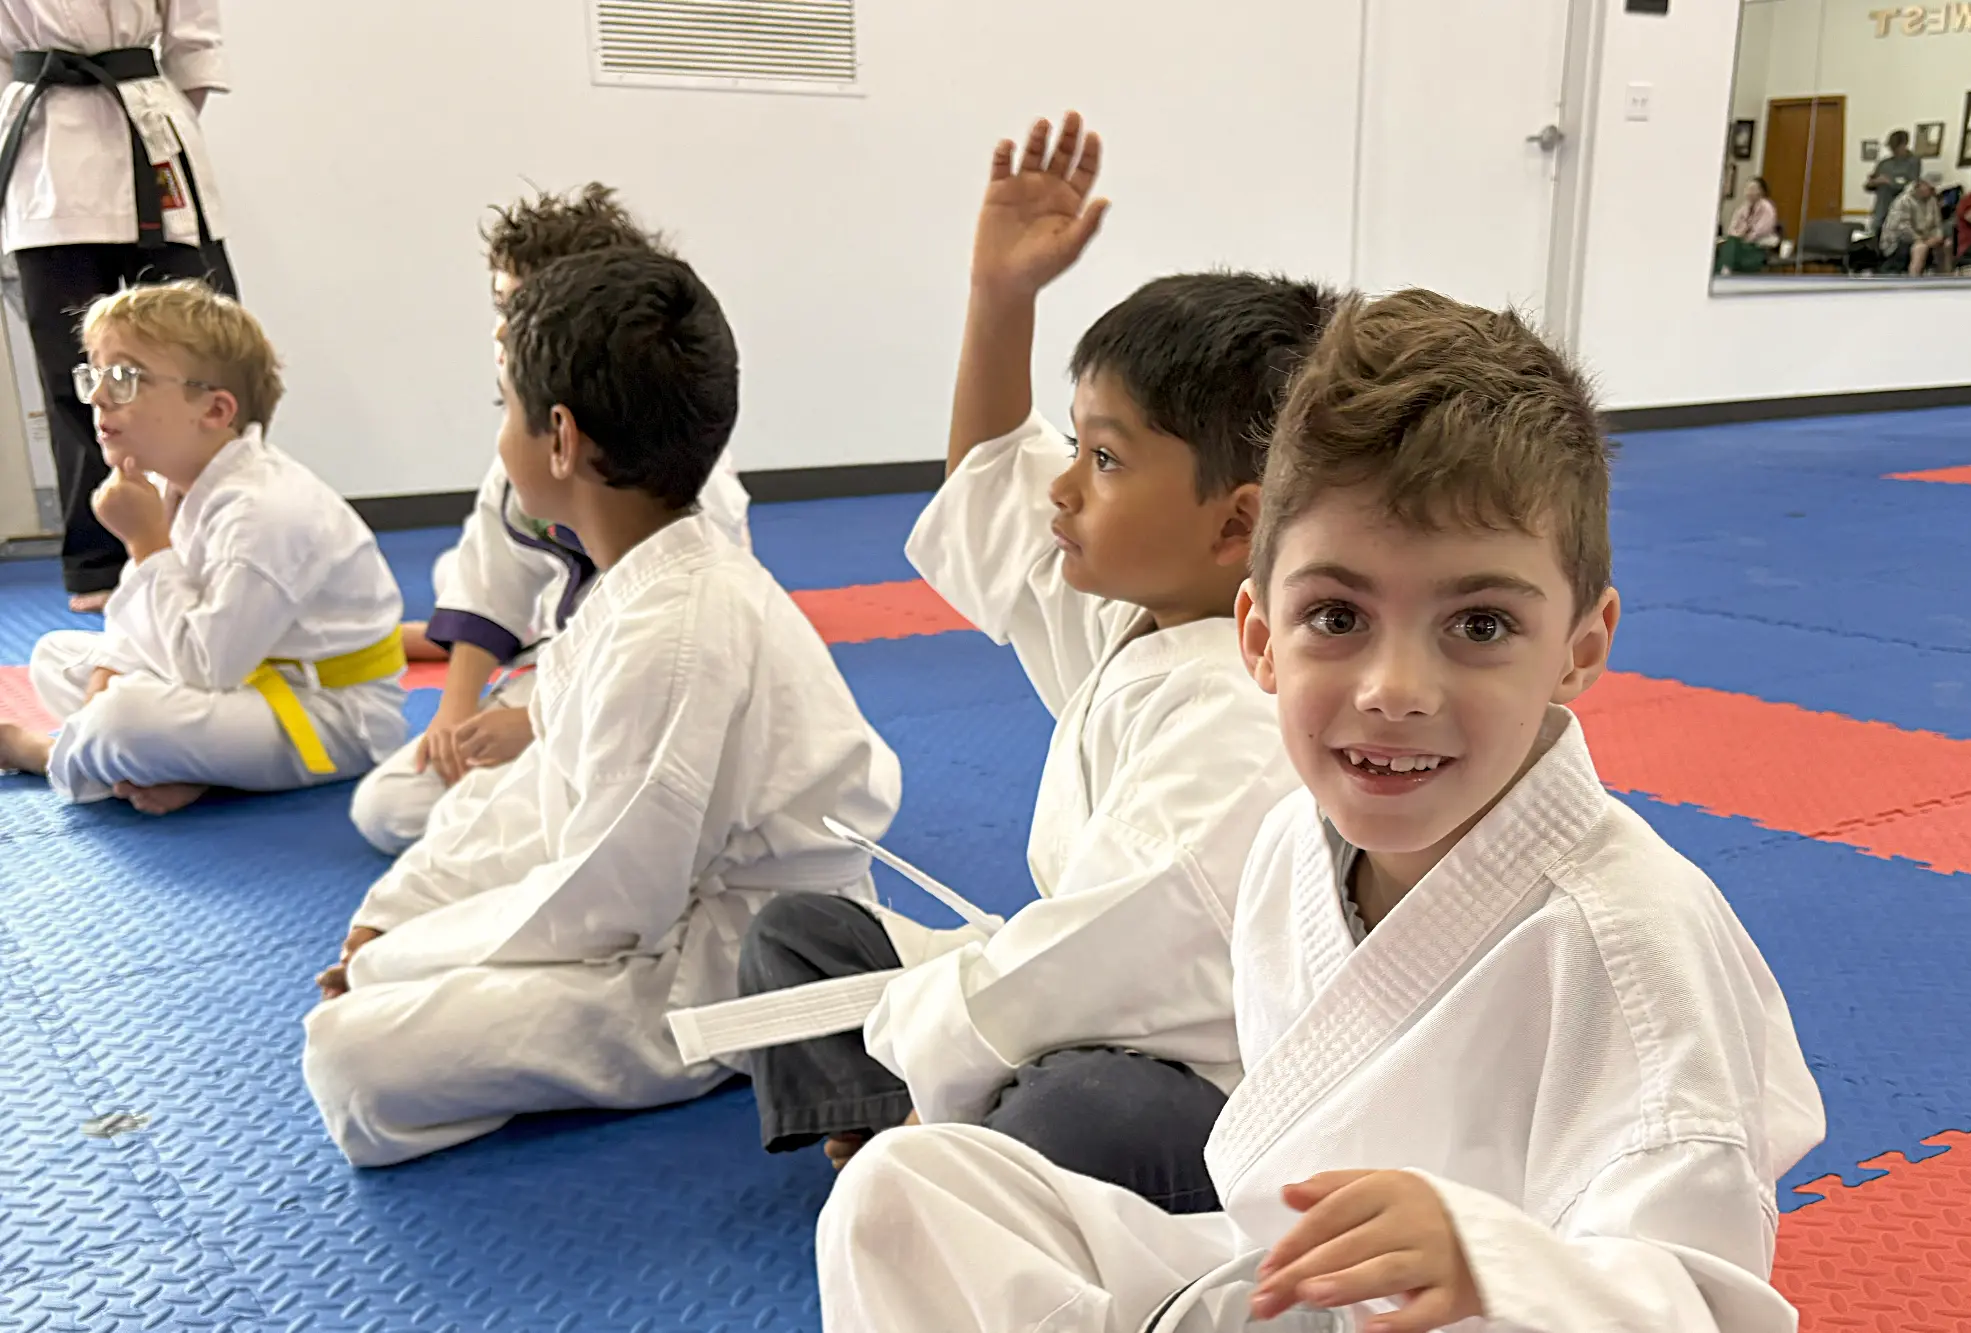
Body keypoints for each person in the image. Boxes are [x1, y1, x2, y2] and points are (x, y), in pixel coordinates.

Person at [815, 289, 1825, 1333]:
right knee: (909, 1191)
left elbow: (1701, 1304)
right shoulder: (1291, 849)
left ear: (1578, 644)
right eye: (1335, 616)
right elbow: (1271, 1224)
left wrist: (1494, 1265)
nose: (1395, 687)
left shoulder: (1631, 942)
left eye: (1478, 623)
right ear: (1258, 635)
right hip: (1296, 1292)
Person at [732, 112, 1319, 1214]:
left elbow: (1078, 974)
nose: (1063, 486)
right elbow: (995, 482)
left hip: (1196, 1083)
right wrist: (1000, 301)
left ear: (1234, 524)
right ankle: (893, 1158)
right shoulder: (1148, 606)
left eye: (1101, 458)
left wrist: (937, 1045)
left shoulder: (1244, 720)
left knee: (1071, 1111)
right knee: (801, 939)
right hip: (1064, 995)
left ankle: (940, 1174)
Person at [301, 248, 901, 1168]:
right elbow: (534, 791)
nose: (498, 437)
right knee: (385, 971)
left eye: (504, 408)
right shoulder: (630, 589)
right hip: (654, 908)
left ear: (561, 438)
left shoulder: (678, 629)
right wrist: (401, 910)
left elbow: (610, 900)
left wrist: (401, 959)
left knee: (354, 1057)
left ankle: (793, 1025)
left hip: (732, 958)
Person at [351, 184, 752, 856]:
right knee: (391, 805)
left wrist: (539, 728)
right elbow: (488, 584)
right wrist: (455, 711)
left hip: (655, 706)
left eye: (521, 308)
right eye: (500, 308)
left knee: (630, 818)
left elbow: (682, 667)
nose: (502, 332)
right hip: (561, 677)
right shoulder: (524, 449)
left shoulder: (688, 480)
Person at [0, 281, 405, 814]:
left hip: (331, 715)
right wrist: (111, 671)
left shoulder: (265, 511)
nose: (98, 395)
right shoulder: (173, 484)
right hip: (236, 675)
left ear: (214, 410)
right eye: (93, 375)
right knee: (56, 656)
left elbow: (205, 667)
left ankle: (45, 752)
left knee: (124, 721)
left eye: (123, 377)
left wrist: (146, 543)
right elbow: (146, 629)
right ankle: (193, 768)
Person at [0, 0, 238, 613]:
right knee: (71, 370)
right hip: (43, 150)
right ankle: (99, 554)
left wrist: (163, 124)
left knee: (205, 345)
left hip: (148, 136)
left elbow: (193, 46)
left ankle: (221, 531)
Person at [1880, 173, 1945, 276]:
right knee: (1920, 248)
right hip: (1898, 242)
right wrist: (1921, 239)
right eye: (1931, 189)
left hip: (1924, 238)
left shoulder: (1932, 201)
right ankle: (1913, 281)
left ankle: (1944, 281)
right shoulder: (1903, 201)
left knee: (1946, 245)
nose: (1933, 192)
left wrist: (1937, 237)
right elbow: (1903, 228)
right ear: (1920, 184)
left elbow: (1937, 224)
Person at [1715, 176, 1778, 275]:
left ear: (1761, 191)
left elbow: (1759, 231)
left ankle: (1725, 270)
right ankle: (1721, 271)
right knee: (1728, 243)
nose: (1749, 192)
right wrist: (1737, 234)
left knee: (1732, 245)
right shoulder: (1743, 208)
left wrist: (1743, 236)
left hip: (1758, 246)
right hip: (1739, 244)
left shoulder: (1767, 208)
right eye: (1747, 189)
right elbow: (1732, 228)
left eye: (1753, 189)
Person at [1865, 129, 1922, 237]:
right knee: (1872, 238)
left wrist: (1889, 182)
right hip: (1881, 211)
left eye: (1896, 147)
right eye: (1891, 147)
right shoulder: (1884, 163)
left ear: (1904, 144)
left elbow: (1912, 186)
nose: (1893, 150)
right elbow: (1868, 185)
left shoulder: (1913, 162)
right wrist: (1874, 182)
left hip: (1902, 211)